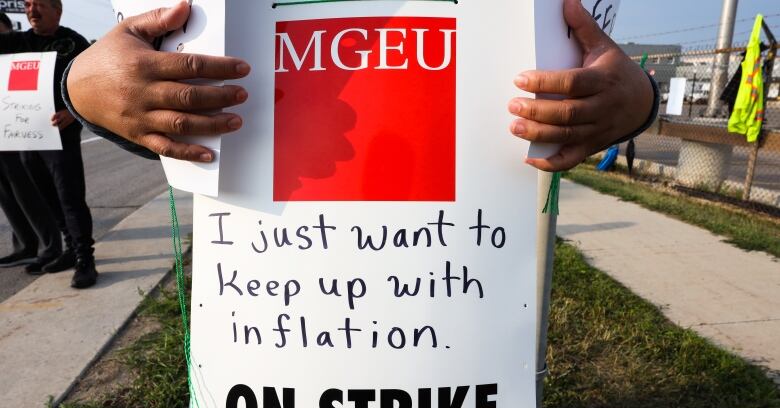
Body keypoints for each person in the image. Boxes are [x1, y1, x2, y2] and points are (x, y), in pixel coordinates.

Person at [63, 0, 657, 172]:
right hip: (268, 311)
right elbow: (169, 101)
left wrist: (637, 101)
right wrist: (83, 88)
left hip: (468, 315)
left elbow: (589, 60)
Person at [0, 0, 98, 288]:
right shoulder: (18, 42)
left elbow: (93, 84)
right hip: (27, 137)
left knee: (70, 197)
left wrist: (73, 111)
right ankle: (69, 248)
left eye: (40, 4)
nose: (32, 10)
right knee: (46, 197)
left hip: (61, 135)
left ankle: (85, 259)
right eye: (28, 4)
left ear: (57, 10)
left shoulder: (73, 42)